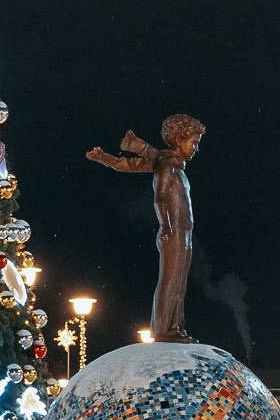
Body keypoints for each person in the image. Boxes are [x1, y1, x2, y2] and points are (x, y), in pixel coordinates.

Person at [87, 114, 205, 343]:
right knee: (170, 280)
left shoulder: (171, 163)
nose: (196, 148)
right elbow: (160, 198)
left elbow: (133, 164)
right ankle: (163, 328)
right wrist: (167, 225)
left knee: (180, 281)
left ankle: (176, 326)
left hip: (184, 231)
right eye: (194, 142)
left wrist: (109, 157)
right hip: (174, 231)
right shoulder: (167, 167)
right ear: (179, 140)